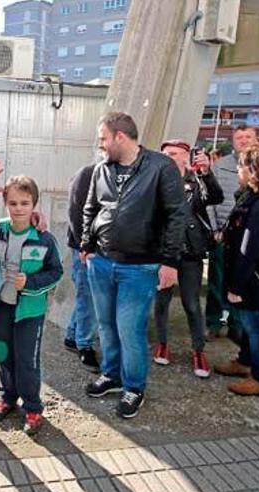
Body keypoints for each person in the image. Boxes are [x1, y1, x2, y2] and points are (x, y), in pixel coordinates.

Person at [81, 112, 185, 419]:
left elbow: (177, 215)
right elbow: (91, 207)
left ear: (120, 137)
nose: (100, 145)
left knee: (130, 330)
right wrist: (87, 245)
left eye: (103, 138)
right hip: (101, 262)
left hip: (140, 267)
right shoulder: (102, 169)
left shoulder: (161, 167)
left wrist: (169, 262)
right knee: (106, 325)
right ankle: (111, 375)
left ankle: (134, 387)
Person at [0, 175, 63, 435]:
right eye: (13, 203)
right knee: (3, 354)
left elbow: (56, 272)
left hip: (29, 312)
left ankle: (32, 406)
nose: (19, 208)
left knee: (27, 360)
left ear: (34, 205)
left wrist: (29, 282)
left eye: (25, 203)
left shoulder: (43, 239)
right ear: (5, 203)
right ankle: (7, 396)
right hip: (1, 308)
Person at [213, 146, 259, 397]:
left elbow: (249, 251)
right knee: (248, 324)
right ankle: (244, 362)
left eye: (242, 166)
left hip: (254, 281)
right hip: (255, 279)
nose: (238, 170)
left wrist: (236, 286)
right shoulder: (255, 197)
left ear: (256, 171)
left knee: (256, 328)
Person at [152, 141, 222, 378]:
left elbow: (215, 197)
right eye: (165, 154)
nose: (168, 157)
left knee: (191, 304)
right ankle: (162, 343)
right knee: (161, 302)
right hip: (163, 252)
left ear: (185, 156)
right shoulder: (156, 179)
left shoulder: (196, 180)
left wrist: (207, 173)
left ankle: (198, 350)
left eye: (173, 154)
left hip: (190, 252)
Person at [206, 125, 256, 340]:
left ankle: (237, 324)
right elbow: (209, 200)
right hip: (222, 234)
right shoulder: (220, 165)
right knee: (217, 280)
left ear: (255, 139)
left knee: (243, 281)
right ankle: (213, 322)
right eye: (239, 137)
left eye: (248, 137)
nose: (243, 141)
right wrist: (215, 228)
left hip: (250, 236)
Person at [64, 161, 101, 371]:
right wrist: (84, 247)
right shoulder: (88, 172)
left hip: (102, 249)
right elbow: (74, 211)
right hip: (85, 248)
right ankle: (84, 345)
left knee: (87, 296)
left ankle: (72, 336)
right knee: (88, 295)